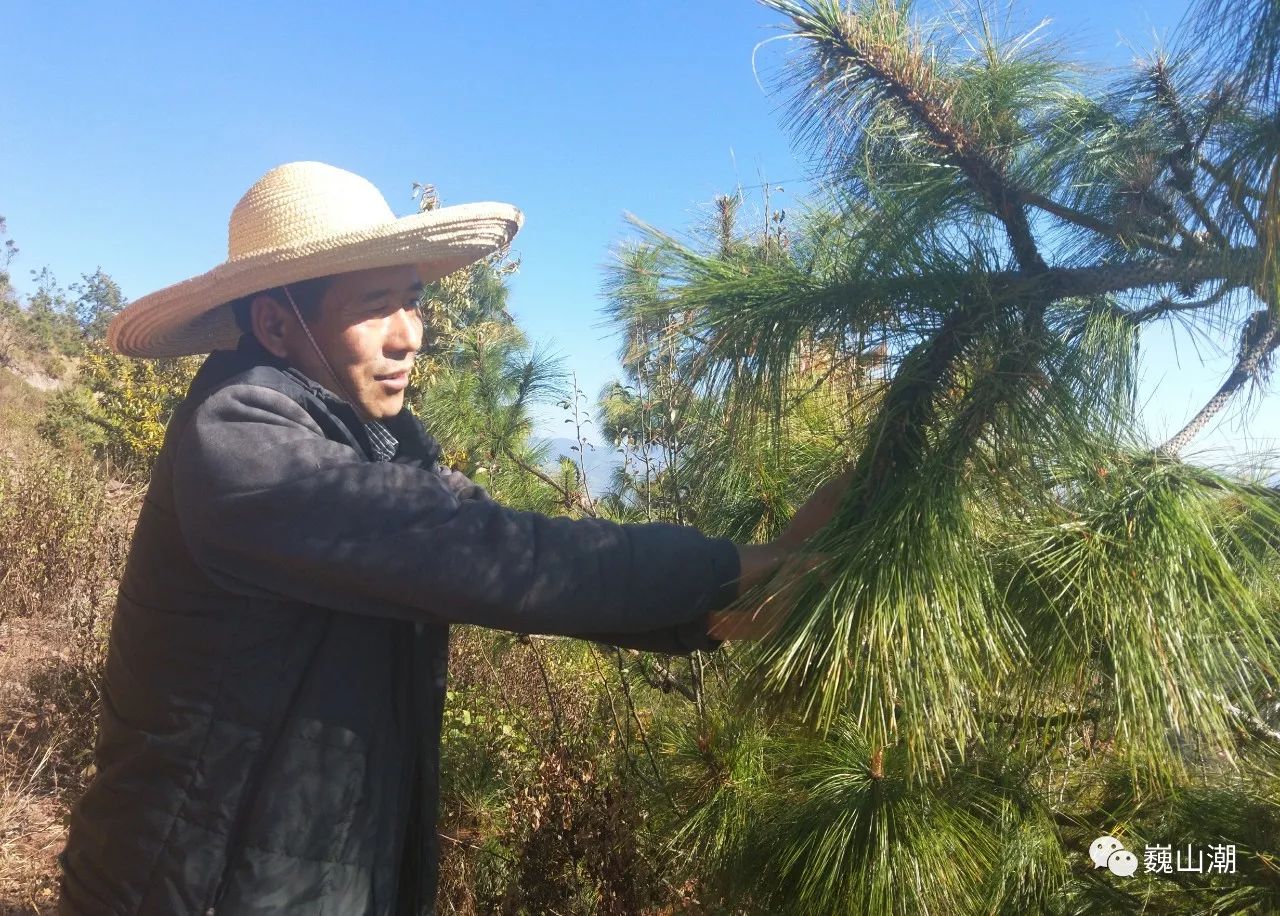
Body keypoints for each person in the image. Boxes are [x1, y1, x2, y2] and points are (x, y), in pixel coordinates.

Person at [56, 161, 849, 915]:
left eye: (413, 300)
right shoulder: (241, 448)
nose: (411, 336)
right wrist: (731, 570)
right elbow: (492, 556)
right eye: (375, 306)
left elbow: (512, 558)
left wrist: (719, 606)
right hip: (190, 889)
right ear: (276, 323)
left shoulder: (375, 440)